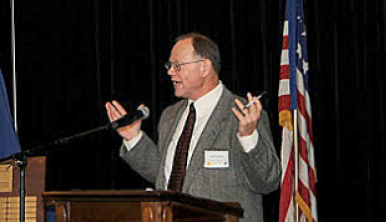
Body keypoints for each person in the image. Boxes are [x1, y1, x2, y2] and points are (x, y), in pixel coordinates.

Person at [105, 33, 280, 222]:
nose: (170, 72)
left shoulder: (242, 114)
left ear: (204, 67)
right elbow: (164, 175)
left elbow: (268, 181)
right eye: (169, 65)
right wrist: (134, 138)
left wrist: (248, 138)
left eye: (177, 65)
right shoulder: (170, 116)